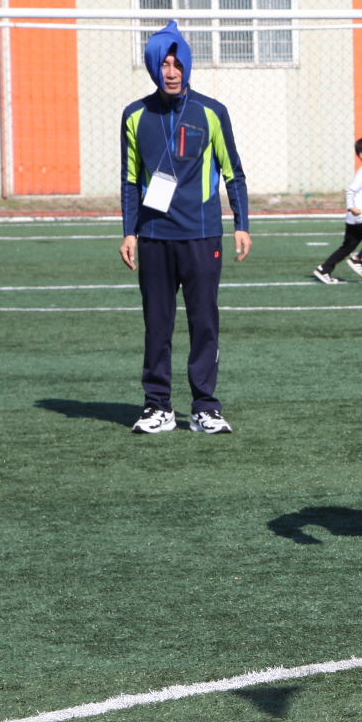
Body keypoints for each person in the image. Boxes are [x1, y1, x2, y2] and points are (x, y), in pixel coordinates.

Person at [119, 22, 251, 433]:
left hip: (202, 235)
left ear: (187, 66)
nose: (171, 72)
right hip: (154, 237)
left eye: (177, 64)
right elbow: (130, 179)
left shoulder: (212, 111)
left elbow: (233, 172)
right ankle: (157, 406)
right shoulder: (134, 115)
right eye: (164, 64)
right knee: (157, 325)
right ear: (152, 67)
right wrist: (129, 232)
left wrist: (241, 224)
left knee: (204, 323)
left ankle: (205, 407)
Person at [312, 136, 362, 284]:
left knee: (347, 247)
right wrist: (351, 207)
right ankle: (358, 260)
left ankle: (324, 269)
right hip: (361, 218)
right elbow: (350, 192)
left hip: (355, 219)